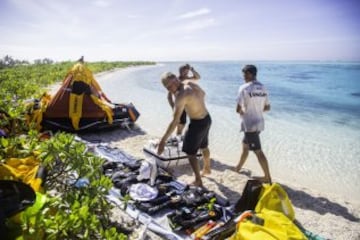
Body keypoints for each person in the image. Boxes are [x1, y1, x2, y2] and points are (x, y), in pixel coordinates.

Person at [158, 72, 211, 187]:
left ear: (173, 82)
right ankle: (207, 168)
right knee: (204, 146)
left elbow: (175, 121)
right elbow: (203, 93)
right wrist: (194, 104)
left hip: (197, 123)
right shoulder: (190, 82)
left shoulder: (181, 95)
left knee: (190, 152)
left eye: (168, 87)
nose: (169, 90)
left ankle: (198, 180)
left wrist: (163, 141)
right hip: (207, 118)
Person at [235, 65, 272, 183]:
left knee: (258, 151)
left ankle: (267, 177)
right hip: (259, 123)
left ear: (251, 74)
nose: (244, 77)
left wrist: (244, 112)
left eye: (245, 74)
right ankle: (237, 168)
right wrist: (257, 108)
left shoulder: (244, 88)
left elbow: (238, 109)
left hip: (249, 125)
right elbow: (267, 107)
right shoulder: (263, 87)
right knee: (245, 146)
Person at [166, 64, 200, 135]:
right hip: (180, 106)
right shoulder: (176, 81)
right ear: (180, 71)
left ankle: (181, 139)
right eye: (184, 71)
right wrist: (173, 107)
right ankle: (177, 140)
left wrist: (192, 70)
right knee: (181, 125)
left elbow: (198, 77)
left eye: (187, 71)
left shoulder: (188, 79)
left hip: (189, 106)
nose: (185, 73)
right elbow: (169, 97)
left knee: (191, 124)